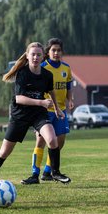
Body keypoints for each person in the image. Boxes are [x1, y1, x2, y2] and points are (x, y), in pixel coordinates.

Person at [0, 42, 71, 190]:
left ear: (43, 56)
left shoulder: (47, 74)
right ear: (27, 56)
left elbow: (51, 92)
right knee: (5, 151)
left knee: (52, 139)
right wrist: (41, 102)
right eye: (33, 54)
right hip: (20, 115)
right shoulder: (23, 73)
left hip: (38, 114)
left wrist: (57, 109)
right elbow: (19, 99)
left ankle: (55, 172)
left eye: (39, 54)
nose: (36, 57)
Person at [21, 38, 74, 185]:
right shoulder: (42, 67)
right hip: (44, 111)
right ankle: (34, 173)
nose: (56, 53)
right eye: (53, 50)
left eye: (58, 50)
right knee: (41, 142)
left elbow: (68, 86)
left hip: (60, 110)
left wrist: (70, 99)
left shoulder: (66, 68)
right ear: (48, 52)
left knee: (59, 142)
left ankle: (47, 171)